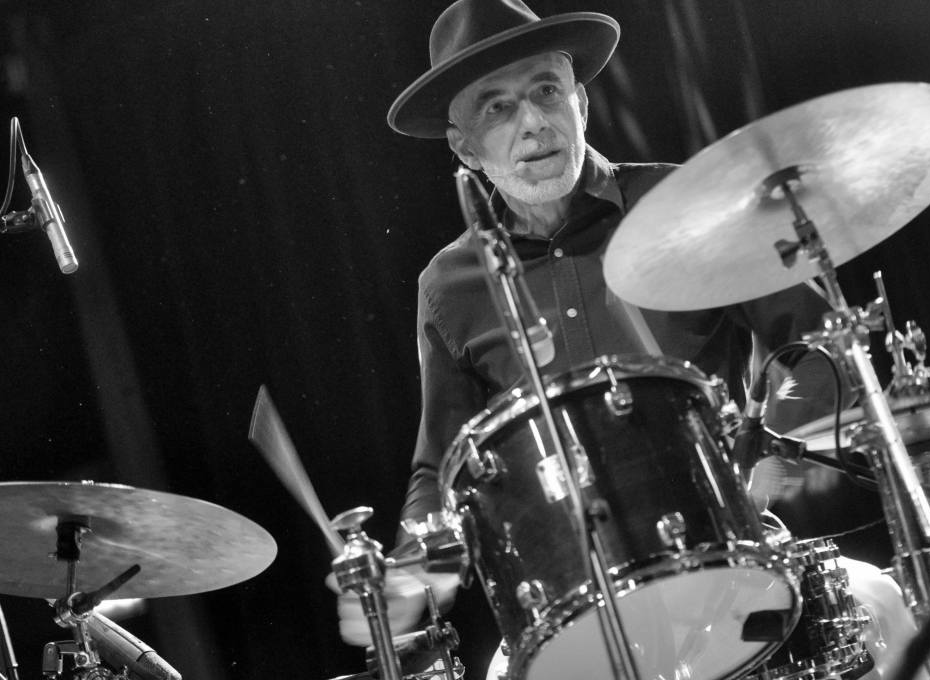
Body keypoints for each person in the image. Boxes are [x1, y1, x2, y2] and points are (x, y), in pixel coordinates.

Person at [333, 0, 878, 670]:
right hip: (573, 606)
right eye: (497, 108)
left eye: (545, 91)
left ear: (581, 103)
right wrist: (418, 570)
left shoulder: (687, 203)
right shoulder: (450, 287)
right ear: (464, 148)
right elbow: (443, 469)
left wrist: (774, 446)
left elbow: (819, 346)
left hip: (736, 566)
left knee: (880, 613)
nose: (533, 122)